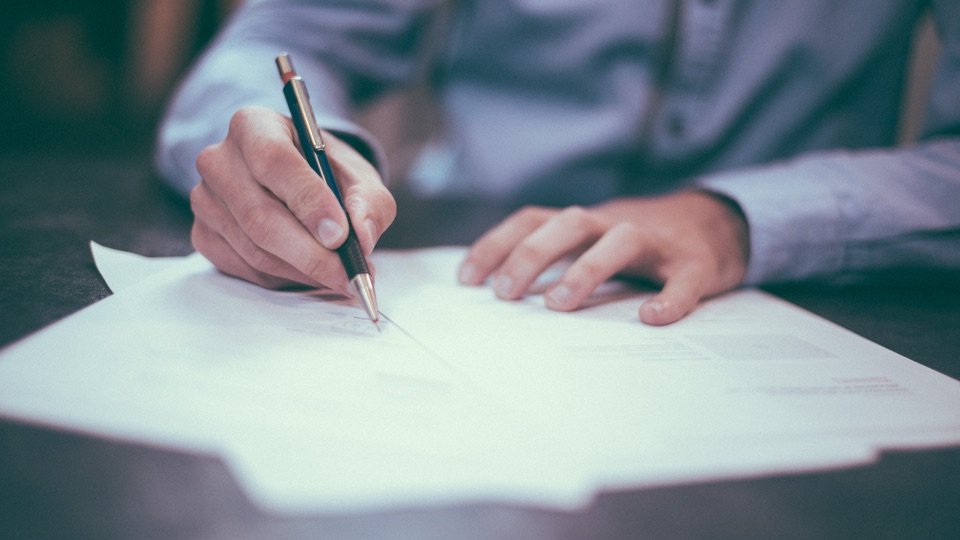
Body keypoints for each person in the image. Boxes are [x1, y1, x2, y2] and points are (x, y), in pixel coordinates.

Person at [156, 0, 960, 325]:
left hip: (806, 294)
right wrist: (305, 158)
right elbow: (274, 42)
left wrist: (737, 217)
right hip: (473, 261)